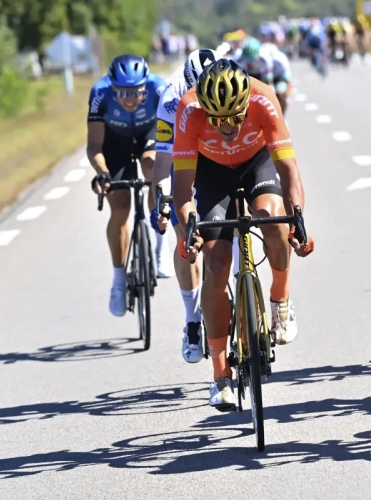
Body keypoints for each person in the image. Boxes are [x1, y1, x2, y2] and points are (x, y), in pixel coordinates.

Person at [172, 59, 314, 410]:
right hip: (212, 174)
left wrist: (298, 219)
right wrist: (189, 227)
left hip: (257, 164)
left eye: (235, 117)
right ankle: (220, 375)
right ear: (205, 109)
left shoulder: (263, 98)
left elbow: (289, 171)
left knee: (273, 219)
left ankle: (280, 299)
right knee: (216, 265)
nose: (228, 128)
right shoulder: (189, 110)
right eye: (218, 121)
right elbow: (181, 189)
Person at [86, 54, 173, 318]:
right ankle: (119, 280)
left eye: (136, 92)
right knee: (121, 206)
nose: (130, 98)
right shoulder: (100, 93)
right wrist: (102, 173)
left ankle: (161, 246)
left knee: (151, 169)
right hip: (115, 142)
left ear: (145, 85)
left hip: (149, 134)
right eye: (123, 92)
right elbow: (94, 146)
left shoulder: (160, 89)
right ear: (112, 86)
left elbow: (170, 137)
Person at [151, 48, 222, 364]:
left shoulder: (229, 85)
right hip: (186, 162)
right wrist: (160, 202)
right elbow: (163, 161)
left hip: (222, 158)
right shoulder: (171, 99)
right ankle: (193, 322)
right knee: (186, 238)